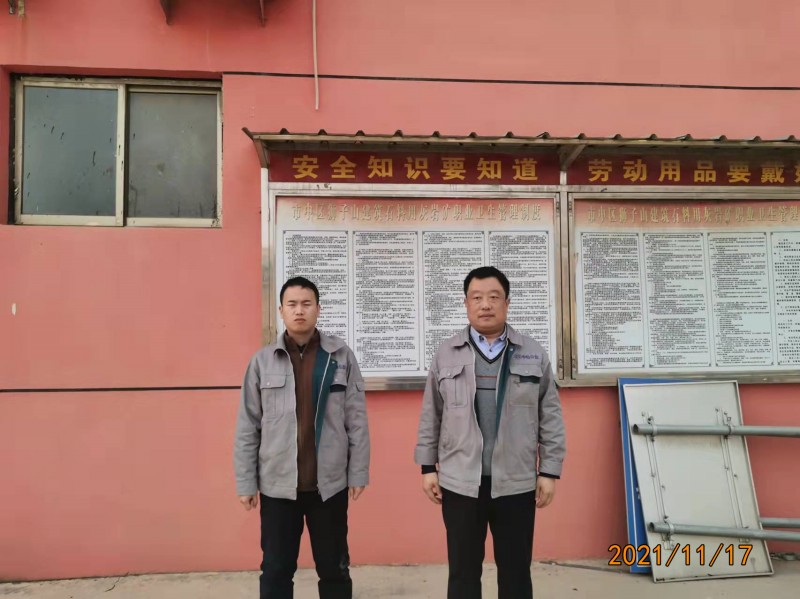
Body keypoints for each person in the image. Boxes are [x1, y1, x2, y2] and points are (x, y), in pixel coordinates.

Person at [414, 266, 566, 599]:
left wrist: (549, 471)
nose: (485, 305)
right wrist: (427, 467)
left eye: (494, 297)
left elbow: (550, 416)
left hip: (516, 482)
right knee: (463, 572)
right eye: (477, 297)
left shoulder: (532, 353)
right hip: (460, 483)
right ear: (466, 303)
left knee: (516, 572)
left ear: (507, 303)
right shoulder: (447, 353)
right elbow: (431, 414)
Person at [234, 276, 370, 599]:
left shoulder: (340, 357)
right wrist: (245, 482)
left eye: (306, 304)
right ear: (281, 310)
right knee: (276, 570)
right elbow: (247, 426)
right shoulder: (262, 362)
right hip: (278, 486)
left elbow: (356, 420)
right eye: (292, 304)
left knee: (335, 569)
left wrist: (358, 472)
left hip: (329, 486)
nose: (299, 311)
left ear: (318, 309)